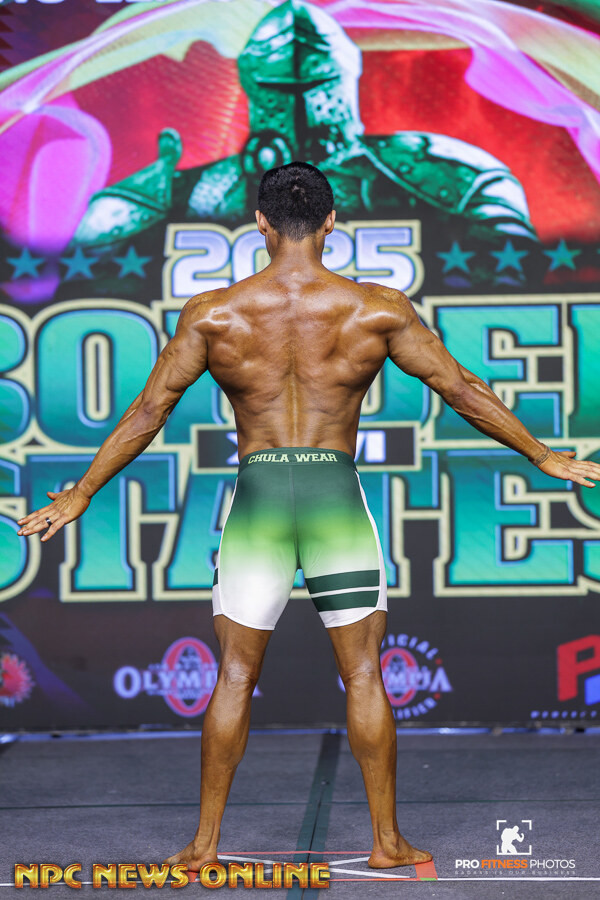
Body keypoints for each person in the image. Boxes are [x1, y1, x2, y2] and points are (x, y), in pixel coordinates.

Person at [18, 162, 600, 871]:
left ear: (260, 223)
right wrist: (541, 454)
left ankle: (204, 845)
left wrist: (81, 492)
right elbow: (462, 389)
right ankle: (387, 843)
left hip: (260, 503)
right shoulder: (375, 309)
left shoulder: (215, 313)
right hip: (334, 503)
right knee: (364, 675)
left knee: (235, 675)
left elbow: (148, 413)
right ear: (331, 222)